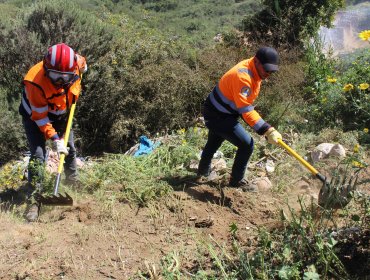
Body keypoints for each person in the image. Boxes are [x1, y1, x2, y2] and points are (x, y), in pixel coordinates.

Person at [19, 43, 87, 222]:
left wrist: (63, 135)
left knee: (70, 147)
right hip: (35, 117)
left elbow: (83, 62)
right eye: (55, 76)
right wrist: (55, 139)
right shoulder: (35, 81)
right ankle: (34, 199)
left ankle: (73, 181)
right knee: (38, 155)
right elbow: (40, 118)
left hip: (61, 114)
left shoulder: (76, 64)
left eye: (65, 77)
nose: (60, 81)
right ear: (46, 67)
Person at [198, 46, 282, 190]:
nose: (268, 73)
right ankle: (236, 180)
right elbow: (245, 109)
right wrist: (267, 130)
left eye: (271, 71)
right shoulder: (243, 76)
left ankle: (201, 173)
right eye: (266, 69)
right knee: (246, 144)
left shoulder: (255, 70)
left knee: (214, 141)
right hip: (218, 114)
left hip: (219, 111)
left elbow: (244, 104)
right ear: (256, 61)